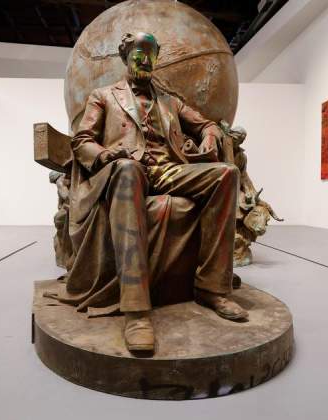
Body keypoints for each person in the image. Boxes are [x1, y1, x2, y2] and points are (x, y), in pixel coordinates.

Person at [54, 32, 247, 353]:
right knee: (128, 170)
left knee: (227, 174)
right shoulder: (104, 96)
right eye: (137, 54)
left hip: (167, 169)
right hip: (125, 169)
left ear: (156, 60)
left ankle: (211, 288)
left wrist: (210, 135)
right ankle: (136, 312)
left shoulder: (170, 100)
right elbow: (82, 140)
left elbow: (206, 124)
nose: (144, 60)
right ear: (125, 58)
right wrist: (105, 155)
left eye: (150, 55)